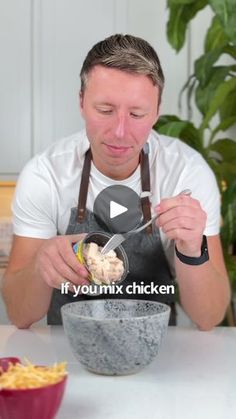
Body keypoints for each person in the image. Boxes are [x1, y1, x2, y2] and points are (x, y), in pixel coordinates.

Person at [1, 34, 230, 329]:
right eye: (105, 110)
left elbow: (209, 317)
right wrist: (40, 267)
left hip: (157, 355)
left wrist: (191, 249)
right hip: (68, 353)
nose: (120, 132)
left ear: (157, 111)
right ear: (81, 102)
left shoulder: (187, 173)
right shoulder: (46, 175)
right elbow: (20, 315)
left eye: (137, 114)